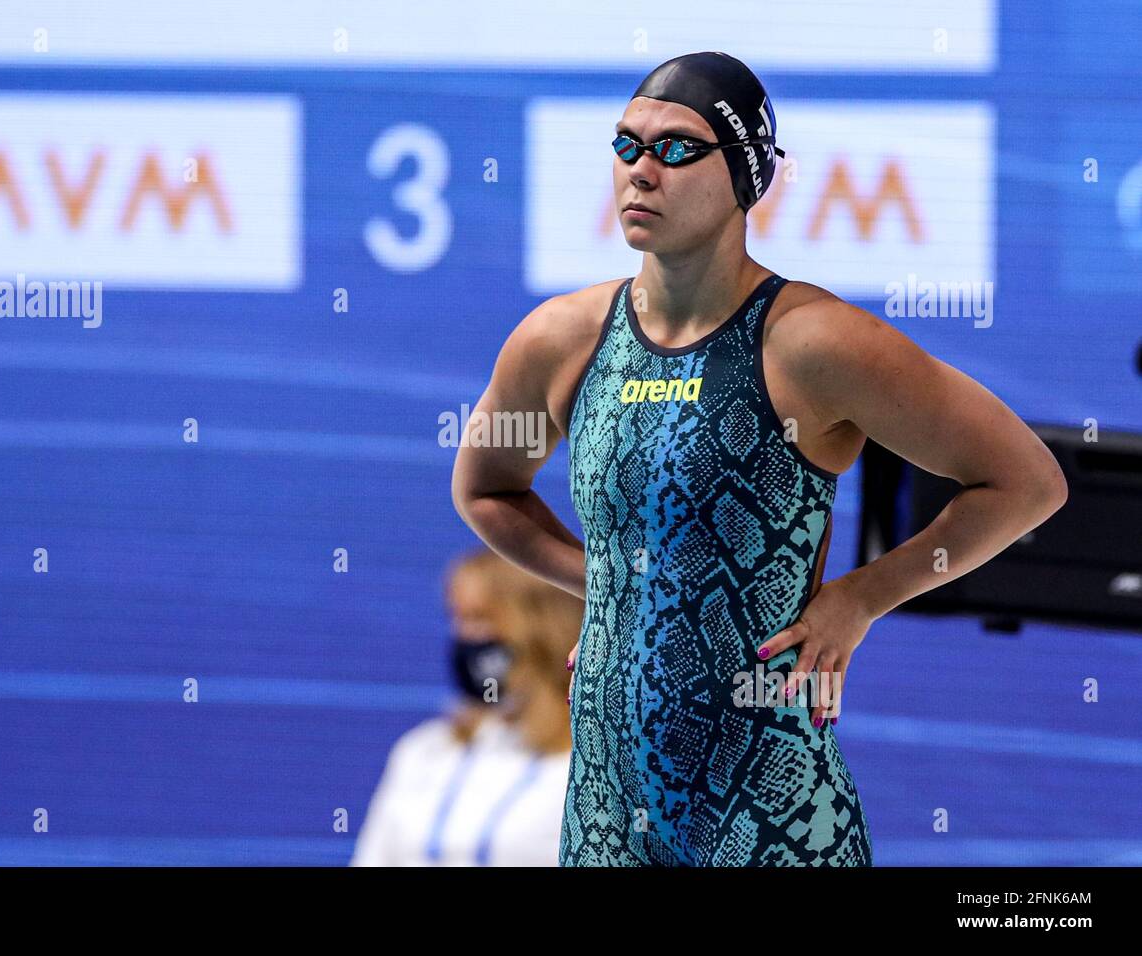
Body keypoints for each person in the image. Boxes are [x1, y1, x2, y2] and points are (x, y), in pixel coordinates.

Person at [450, 51, 1068, 866]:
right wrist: (612, 589)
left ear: (745, 179)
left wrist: (861, 598)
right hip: (606, 814)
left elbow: (1027, 482)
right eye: (626, 145)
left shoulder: (813, 343)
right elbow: (486, 491)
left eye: (676, 149)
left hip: (771, 821)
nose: (641, 170)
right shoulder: (563, 340)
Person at [350, 546, 579, 866]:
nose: (463, 637)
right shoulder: (425, 750)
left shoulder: (585, 768)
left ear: (543, 629)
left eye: (479, 619)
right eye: (457, 619)